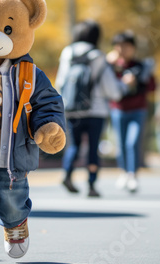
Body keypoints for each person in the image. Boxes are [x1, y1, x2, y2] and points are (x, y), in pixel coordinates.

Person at [55, 20, 131, 197]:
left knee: (73, 145)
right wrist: (123, 87)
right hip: (96, 110)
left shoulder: (68, 52)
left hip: (72, 108)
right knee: (93, 148)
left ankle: (67, 174)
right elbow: (110, 88)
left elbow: (61, 81)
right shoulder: (98, 55)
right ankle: (91, 184)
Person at [107, 31, 156, 193]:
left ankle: (132, 175)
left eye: (125, 46)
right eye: (118, 46)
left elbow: (152, 87)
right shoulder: (111, 65)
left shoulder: (141, 66)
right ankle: (123, 172)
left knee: (132, 142)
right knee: (121, 144)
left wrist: (138, 81)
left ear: (133, 48)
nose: (121, 49)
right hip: (118, 110)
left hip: (138, 110)